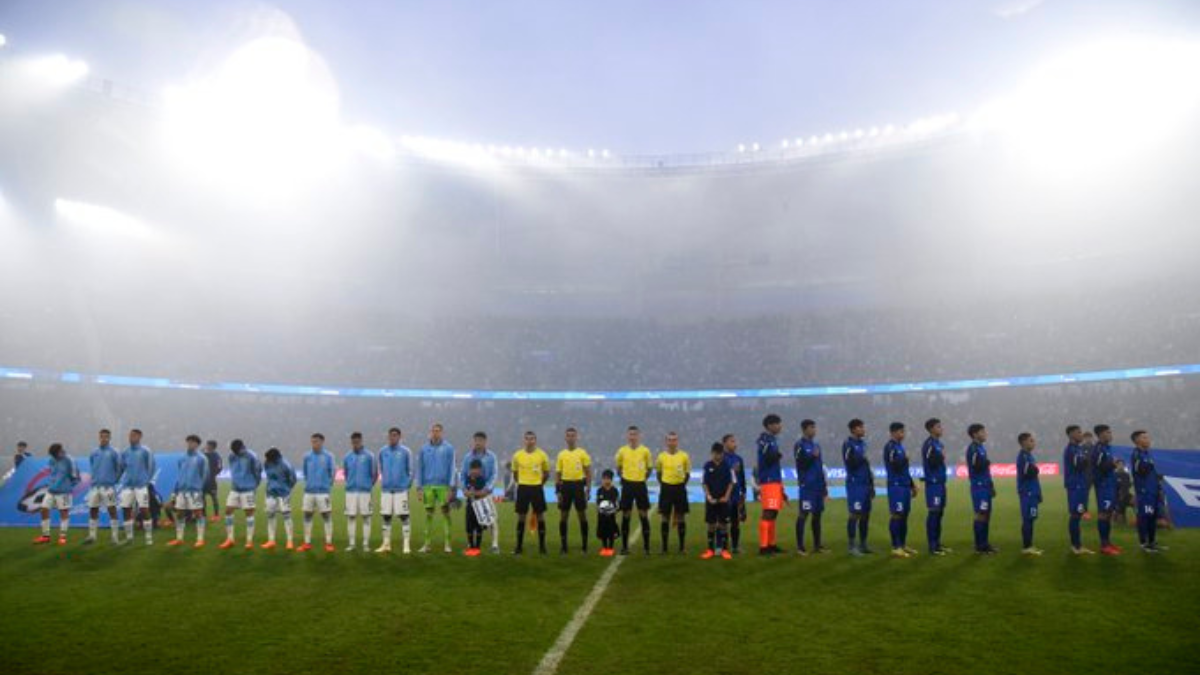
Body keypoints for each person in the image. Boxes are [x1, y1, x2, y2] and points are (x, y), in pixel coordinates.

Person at [416, 423, 456, 554]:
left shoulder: (449, 448)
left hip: (443, 486)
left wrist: (451, 487)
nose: (435, 433)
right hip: (428, 487)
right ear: (430, 432)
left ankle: (448, 544)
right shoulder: (424, 448)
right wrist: (419, 488)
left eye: (438, 431)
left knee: (446, 513)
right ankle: (427, 544)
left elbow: (452, 468)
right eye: (433, 431)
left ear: (442, 432)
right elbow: (420, 468)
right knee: (428, 514)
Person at [615, 425, 653, 555]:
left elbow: (649, 469)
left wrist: (642, 478)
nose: (633, 437)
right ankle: (625, 547)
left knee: (643, 515)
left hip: (640, 485)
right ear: (627, 436)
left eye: (635, 434)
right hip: (627, 486)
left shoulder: (645, 451)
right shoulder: (622, 451)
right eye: (630, 434)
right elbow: (618, 468)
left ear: (639, 436)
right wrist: (625, 478)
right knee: (626, 515)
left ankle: (647, 547)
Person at [884, 422, 919, 558]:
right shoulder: (891, 447)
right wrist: (905, 459)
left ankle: (903, 545)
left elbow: (904, 469)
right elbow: (895, 465)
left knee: (904, 516)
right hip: (896, 486)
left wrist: (912, 485)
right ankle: (895, 546)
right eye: (900, 432)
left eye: (903, 432)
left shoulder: (900, 447)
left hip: (904, 486)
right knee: (897, 515)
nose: (902, 434)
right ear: (892, 433)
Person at [793, 419, 828, 555]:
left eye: (815, 427)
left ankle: (817, 545)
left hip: (818, 486)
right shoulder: (799, 445)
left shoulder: (816, 445)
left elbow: (819, 466)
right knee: (804, 514)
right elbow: (800, 464)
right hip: (807, 485)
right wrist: (812, 457)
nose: (814, 430)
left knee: (817, 514)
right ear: (805, 429)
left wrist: (824, 485)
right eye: (812, 427)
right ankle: (800, 547)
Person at [512, 431, 550, 554]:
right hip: (523, 487)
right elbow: (515, 473)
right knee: (521, 516)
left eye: (532, 439)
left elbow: (546, 473)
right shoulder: (517, 455)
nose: (529, 441)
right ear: (524, 440)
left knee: (540, 516)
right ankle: (518, 546)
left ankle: (542, 546)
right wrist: (522, 482)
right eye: (527, 439)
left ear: (535, 440)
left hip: (537, 488)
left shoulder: (542, 455)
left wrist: (539, 483)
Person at [377, 427, 414, 554]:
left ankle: (406, 545)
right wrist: (385, 482)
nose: (392, 437)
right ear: (388, 437)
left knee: (404, 517)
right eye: (391, 435)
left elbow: (411, 471)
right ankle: (386, 544)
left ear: (399, 437)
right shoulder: (382, 451)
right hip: (386, 490)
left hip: (400, 490)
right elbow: (381, 468)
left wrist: (406, 485)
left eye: (395, 435)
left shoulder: (405, 452)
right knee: (386, 517)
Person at [555, 427, 592, 554]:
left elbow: (588, 472)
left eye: (573, 435)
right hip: (565, 486)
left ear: (577, 437)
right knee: (564, 516)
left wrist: (588, 488)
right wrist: (558, 491)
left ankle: (584, 546)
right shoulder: (561, 454)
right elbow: (558, 474)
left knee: (582, 515)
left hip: (578, 486)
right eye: (568, 435)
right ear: (565, 438)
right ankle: (564, 546)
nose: (571, 438)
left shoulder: (582, 453)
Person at [34, 443, 78, 545]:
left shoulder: (69, 460)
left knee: (63, 513)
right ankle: (45, 536)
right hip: (51, 490)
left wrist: (67, 486)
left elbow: (75, 476)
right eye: (59, 452)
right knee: (44, 509)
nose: (62, 452)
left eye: (61, 450)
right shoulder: (51, 460)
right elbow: (52, 474)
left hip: (64, 492)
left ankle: (62, 537)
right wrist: (52, 484)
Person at [220, 439, 261, 550]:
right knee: (228, 511)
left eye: (237, 451)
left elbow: (257, 472)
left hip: (248, 489)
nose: (236, 453)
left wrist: (253, 486)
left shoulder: (252, 456)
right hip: (235, 488)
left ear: (243, 447)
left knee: (249, 513)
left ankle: (249, 541)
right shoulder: (231, 456)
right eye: (234, 451)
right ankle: (230, 539)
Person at [168, 435, 209, 548]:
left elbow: (205, 475)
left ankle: (200, 539)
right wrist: (176, 490)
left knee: (198, 514)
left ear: (197, 444)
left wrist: (199, 488)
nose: (190, 444)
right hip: (182, 491)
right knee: (180, 513)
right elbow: (180, 474)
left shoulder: (202, 458)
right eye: (188, 442)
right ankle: (179, 539)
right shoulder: (182, 458)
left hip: (195, 491)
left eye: (192, 442)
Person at [755, 414, 787, 556]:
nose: (780, 426)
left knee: (773, 512)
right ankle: (763, 547)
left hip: (774, 480)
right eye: (777, 424)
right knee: (768, 513)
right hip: (768, 481)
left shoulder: (772, 440)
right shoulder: (765, 440)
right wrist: (777, 456)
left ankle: (771, 544)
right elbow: (768, 458)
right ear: (769, 425)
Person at [84, 428, 122, 545]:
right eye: (101, 436)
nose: (103, 438)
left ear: (109, 438)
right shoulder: (94, 452)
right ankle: (92, 536)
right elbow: (92, 465)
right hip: (95, 487)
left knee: (112, 510)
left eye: (106, 436)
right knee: (93, 510)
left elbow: (119, 468)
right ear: (99, 437)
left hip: (108, 487)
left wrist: (114, 480)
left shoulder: (114, 452)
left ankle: (115, 537)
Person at [655, 431, 691, 554]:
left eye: (674, 440)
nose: (672, 442)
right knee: (665, 516)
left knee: (681, 516)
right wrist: (665, 484)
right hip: (666, 488)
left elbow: (687, 474)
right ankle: (664, 548)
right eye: (670, 440)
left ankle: (682, 547)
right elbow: (658, 473)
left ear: (677, 441)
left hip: (680, 488)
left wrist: (680, 484)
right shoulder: (661, 457)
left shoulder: (684, 456)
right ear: (666, 442)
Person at [119, 429, 156, 545]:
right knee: (126, 510)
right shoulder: (125, 452)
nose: (131, 437)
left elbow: (151, 466)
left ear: (140, 437)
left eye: (134, 435)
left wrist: (146, 481)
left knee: (145, 510)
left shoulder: (145, 451)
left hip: (141, 486)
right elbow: (122, 467)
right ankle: (129, 538)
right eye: (130, 435)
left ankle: (148, 537)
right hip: (128, 486)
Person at [1130, 430, 1166, 553]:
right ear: (1137, 441)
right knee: (1144, 517)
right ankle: (1143, 544)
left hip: (1153, 491)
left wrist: (1158, 481)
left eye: (1147, 437)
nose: (1148, 439)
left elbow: (1150, 472)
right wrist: (1149, 466)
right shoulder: (1137, 454)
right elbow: (1140, 470)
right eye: (1144, 437)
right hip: (1144, 492)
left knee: (1152, 518)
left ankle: (1152, 542)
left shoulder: (1148, 454)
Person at [300, 433, 336, 552]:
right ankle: (307, 543)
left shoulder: (329, 456)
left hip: (323, 492)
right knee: (307, 516)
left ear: (322, 442)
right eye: (312, 441)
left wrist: (326, 485)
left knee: (326, 516)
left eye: (316, 441)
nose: (314, 443)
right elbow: (305, 472)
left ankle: (329, 543)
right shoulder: (307, 456)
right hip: (309, 492)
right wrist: (309, 483)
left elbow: (332, 472)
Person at [842, 419, 873, 556]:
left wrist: (871, 485)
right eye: (861, 427)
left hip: (865, 484)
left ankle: (863, 544)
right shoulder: (848, 444)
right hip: (855, 484)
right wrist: (863, 458)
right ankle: (851, 546)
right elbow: (850, 463)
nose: (863, 429)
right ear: (854, 429)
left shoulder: (863, 444)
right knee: (855, 514)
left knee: (865, 515)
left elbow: (866, 465)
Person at [343, 432, 378, 552]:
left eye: (357, 442)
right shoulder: (347, 456)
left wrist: (368, 485)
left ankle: (365, 544)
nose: (355, 444)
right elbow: (346, 473)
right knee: (351, 517)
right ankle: (352, 544)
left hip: (365, 492)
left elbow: (374, 474)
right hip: (351, 491)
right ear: (351, 442)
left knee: (366, 517)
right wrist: (350, 483)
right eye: (353, 442)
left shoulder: (369, 456)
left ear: (361, 441)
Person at [920, 418, 951, 555]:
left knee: (939, 513)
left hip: (940, 483)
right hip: (933, 484)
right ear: (931, 429)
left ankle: (937, 543)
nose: (941, 428)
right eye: (938, 426)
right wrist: (942, 457)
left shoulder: (939, 444)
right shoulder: (929, 444)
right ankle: (932, 546)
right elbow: (930, 461)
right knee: (934, 513)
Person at [966, 423, 998, 555]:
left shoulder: (981, 448)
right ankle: (979, 545)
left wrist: (991, 485)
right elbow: (976, 466)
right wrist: (986, 462)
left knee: (986, 514)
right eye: (982, 431)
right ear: (975, 434)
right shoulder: (973, 448)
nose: (985, 433)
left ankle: (984, 544)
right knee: (981, 514)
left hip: (985, 485)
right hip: (978, 486)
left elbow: (984, 468)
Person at [1062, 425, 1094, 555]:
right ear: (1071, 435)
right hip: (1075, 486)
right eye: (1079, 432)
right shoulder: (1071, 450)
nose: (1081, 435)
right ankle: (1076, 546)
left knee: (1078, 514)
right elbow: (1079, 464)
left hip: (1080, 485)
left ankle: (1078, 545)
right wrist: (1088, 459)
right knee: (1075, 515)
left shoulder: (1078, 449)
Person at [1091, 425, 1121, 555]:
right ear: (1101, 434)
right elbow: (1099, 467)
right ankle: (1104, 545)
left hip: (1109, 485)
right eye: (1108, 432)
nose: (1110, 434)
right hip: (1103, 486)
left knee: (1108, 515)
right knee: (1103, 514)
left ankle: (1108, 542)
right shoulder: (1098, 449)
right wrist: (1113, 464)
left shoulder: (1106, 448)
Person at [702, 442, 735, 560]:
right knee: (711, 524)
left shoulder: (727, 466)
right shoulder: (707, 465)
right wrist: (708, 496)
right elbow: (704, 483)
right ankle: (710, 549)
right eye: (716, 453)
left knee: (723, 524)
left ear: (722, 454)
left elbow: (731, 483)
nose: (718, 456)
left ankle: (724, 550)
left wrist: (726, 497)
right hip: (711, 500)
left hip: (723, 500)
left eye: (720, 453)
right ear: (712, 453)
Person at [262, 447, 297, 550]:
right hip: (270, 494)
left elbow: (293, 479)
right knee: (270, 516)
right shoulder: (267, 463)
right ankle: (271, 540)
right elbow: (269, 477)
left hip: (283, 494)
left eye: (269, 459)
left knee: (286, 516)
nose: (267, 460)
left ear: (275, 458)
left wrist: (286, 489)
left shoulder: (286, 465)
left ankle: (289, 541)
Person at [1016, 432, 1044, 556]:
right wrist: (1036, 469)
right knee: (1027, 519)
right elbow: (1030, 472)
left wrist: (1038, 493)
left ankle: (1029, 545)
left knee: (1031, 519)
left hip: (1032, 492)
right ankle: (1026, 546)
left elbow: (1033, 474)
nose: (1034, 443)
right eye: (1031, 440)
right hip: (1027, 493)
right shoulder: (1023, 456)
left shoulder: (1028, 455)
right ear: (1023, 442)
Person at [463, 459, 495, 556]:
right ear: (470, 469)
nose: (475, 471)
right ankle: (471, 546)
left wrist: (473, 493)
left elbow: (483, 493)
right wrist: (471, 493)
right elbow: (465, 493)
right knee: (469, 527)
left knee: (479, 527)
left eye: (477, 469)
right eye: (473, 469)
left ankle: (477, 547)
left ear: (480, 470)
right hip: (469, 506)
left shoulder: (482, 480)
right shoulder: (467, 479)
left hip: (480, 506)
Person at [721, 434, 747, 554]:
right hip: (725, 494)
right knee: (724, 521)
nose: (735, 444)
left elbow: (742, 477)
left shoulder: (739, 458)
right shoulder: (721, 458)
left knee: (736, 522)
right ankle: (724, 547)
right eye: (732, 441)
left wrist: (744, 492)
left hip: (737, 495)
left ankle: (735, 546)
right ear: (725, 443)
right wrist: (732, 470)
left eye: (735, 441)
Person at [595, 470, 620, 556]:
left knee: (611, 531)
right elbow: (598, 502)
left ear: (611, 480)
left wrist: (614, 510)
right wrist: (601, 509)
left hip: (611, 515)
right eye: (604, 479)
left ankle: (610, 547)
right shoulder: (600, 490)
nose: (606, 481)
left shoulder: (614, 490)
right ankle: (604, 547)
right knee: (603, 532)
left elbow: (617, 503)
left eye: (608, 479)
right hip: (602, 515)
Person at [202, 440, 222, 522]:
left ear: (211, 446)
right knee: (202, 499)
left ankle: (216, 515)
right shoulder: (202, 454)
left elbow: (219, 467)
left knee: (214, 498)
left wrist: (213, 474)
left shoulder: (216, 456)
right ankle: (203, 515)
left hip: (211, 481)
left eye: (207, 444)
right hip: (203, 482)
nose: (206, 446)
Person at [1114, 459, 1133, 525]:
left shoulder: (1126, 475)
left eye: (1122, 464)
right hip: (1117, 497)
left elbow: (1128, 485)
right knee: (1120, 522)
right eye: (1119, 464)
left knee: (1136, 501)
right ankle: (1117, 514)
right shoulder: (1113, 475)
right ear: (1116, 465)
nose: (1121, 466)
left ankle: (1138, 519)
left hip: (1126, 496)